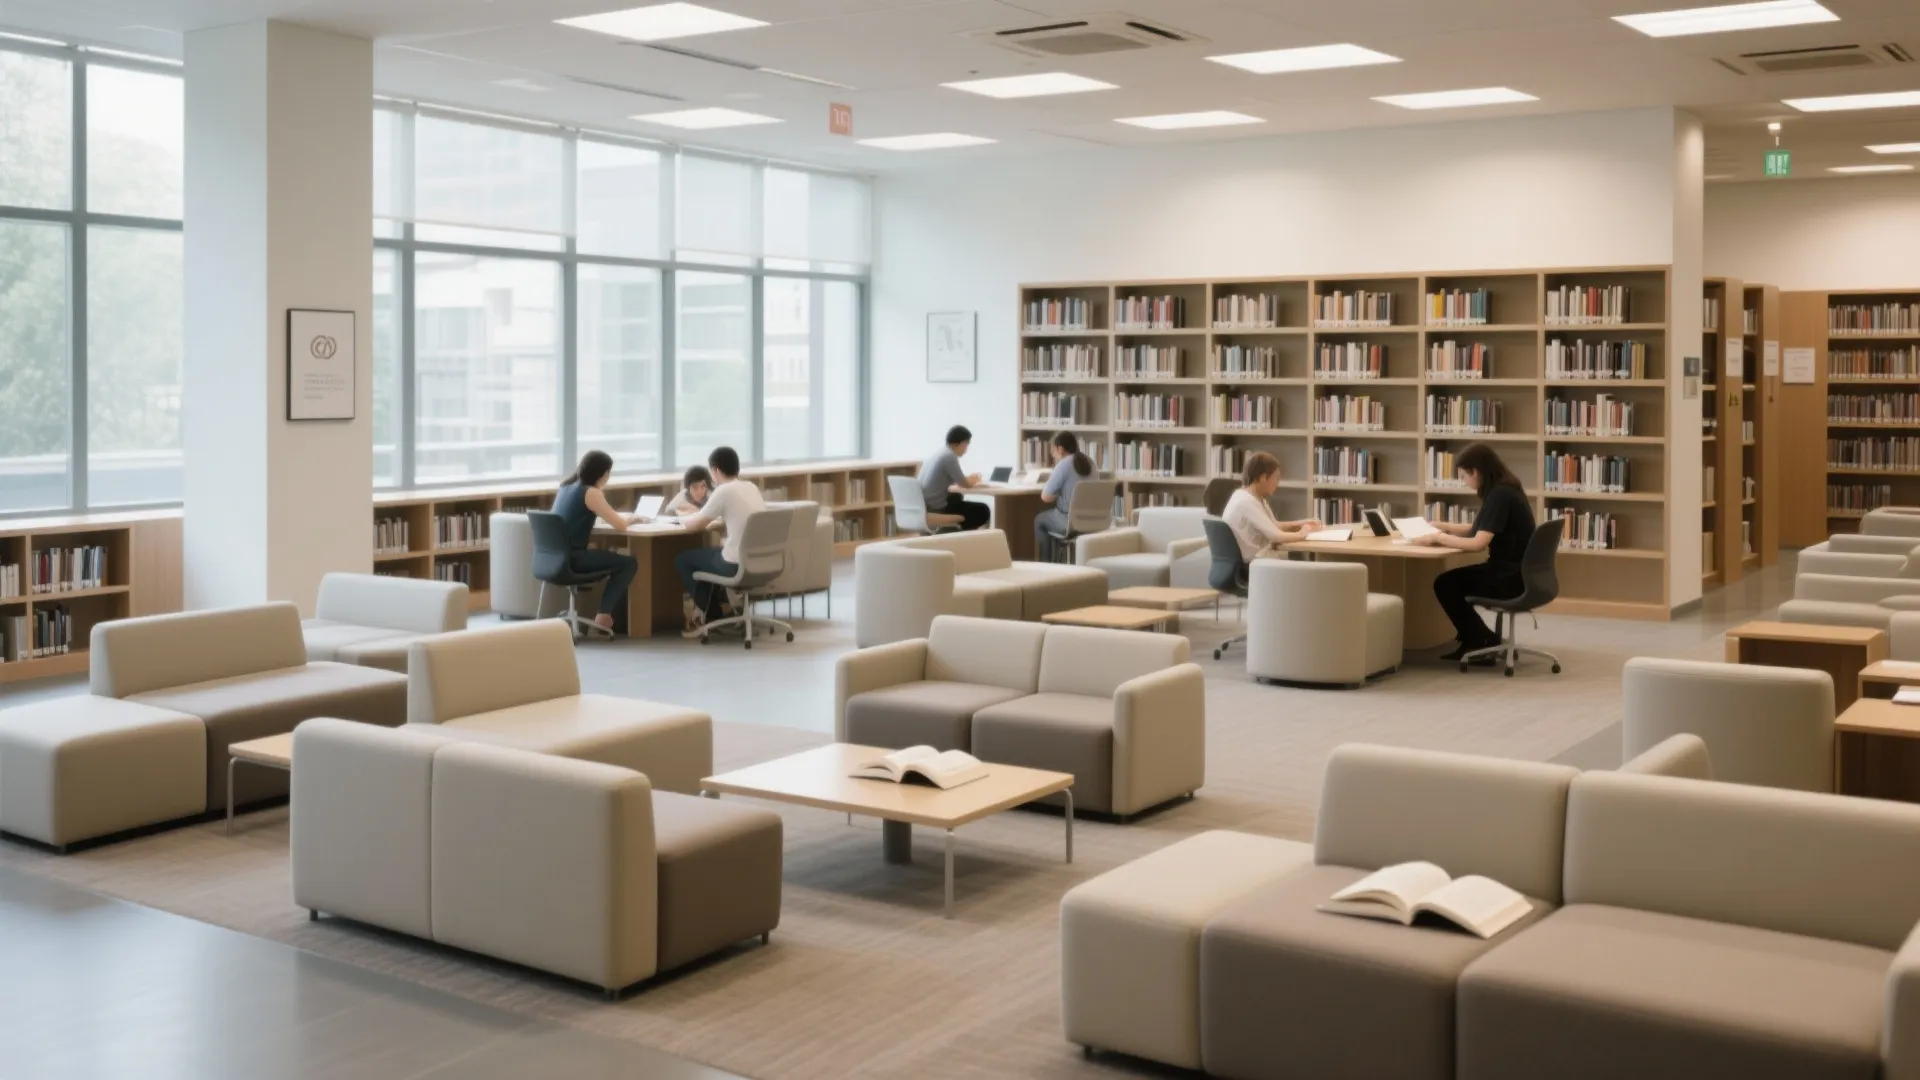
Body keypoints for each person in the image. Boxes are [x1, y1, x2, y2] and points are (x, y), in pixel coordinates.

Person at [1410, 442, 1537, 662]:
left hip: (1508, 577)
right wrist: (1445, 526)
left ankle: (1482, 641)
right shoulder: (1506, 489)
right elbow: (1478, 529)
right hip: (1519, 572)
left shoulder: (1499, 495)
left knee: (1445, 584)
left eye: (1464, 477)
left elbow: (1478, 542)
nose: (1464, 482)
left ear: (1476, 472)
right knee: (1452, 581)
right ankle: (1479, 638)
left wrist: (1439, 538)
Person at [674, 446, 766, 636]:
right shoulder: (751, 487)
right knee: (710, 554)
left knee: (683, 560)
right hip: (759, 561)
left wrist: (680, 518)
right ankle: (717, 612)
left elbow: (696, 525)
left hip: (734, 564)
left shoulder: (724, 490)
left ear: (715, 470)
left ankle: (711, 616)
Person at [550, 450, 639, 635]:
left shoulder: (565, 487)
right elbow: (620, 524)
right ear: (604, 473)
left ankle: (604, 615)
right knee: (628, 563)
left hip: (553, 558)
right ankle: (603, 616)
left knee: (616, 559)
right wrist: (635, 518)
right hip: (574, 559)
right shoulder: (591, 492)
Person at [1220, 452, 1322, 563]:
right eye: (1276, 478)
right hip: (1253, 565)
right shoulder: (1246, 502)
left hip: (1257, 560)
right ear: (1263, 478)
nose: (1277, 484)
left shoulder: (1253, 497)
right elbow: (1276, 536)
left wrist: (1303, 523)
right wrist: (1303, 533)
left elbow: (1274, 525)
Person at [1033, 431, 1095, 560]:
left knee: (1040, 520)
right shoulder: (1091, 463)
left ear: (1060, 449)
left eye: (1053, 452)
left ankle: (1046, 564)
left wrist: (1060, 492)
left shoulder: (1064, 465)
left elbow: (1045, 497)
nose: (1053, 456)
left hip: (1069, 521)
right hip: (1092, 520)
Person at [917, 425, 991, 531]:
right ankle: (960, 536)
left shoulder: (939, 453)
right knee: (983, 510)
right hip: (936, 507)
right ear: (960, 443)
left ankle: (957, 533)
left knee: (957, 496)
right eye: (966, 445)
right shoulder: (949, 456)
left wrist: (967, 480)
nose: (966, 450)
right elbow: (964, 484)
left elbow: (956, 480)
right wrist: (974, 479)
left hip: (925, 504)